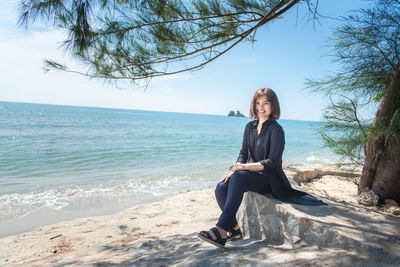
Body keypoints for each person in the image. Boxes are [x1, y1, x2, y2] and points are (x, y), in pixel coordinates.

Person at [198, 88, 325, 248]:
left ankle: (221, 229)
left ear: (273, 106)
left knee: (239, 176)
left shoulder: (276, 129)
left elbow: (272, 162)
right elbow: (243, 153)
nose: (261, 107)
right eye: (258, 103)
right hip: (248, 175)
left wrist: (243, 168)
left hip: (269, 179)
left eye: (266, 103)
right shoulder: (249, 127)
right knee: (221, 187)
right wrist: (236, 168)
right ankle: (234, 228)